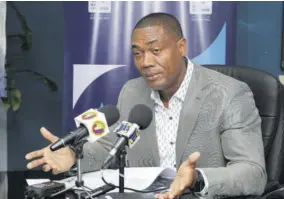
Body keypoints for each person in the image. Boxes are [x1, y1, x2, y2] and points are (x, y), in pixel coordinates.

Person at [25, 13, 267, 199]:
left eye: (156, 50)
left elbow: (253, 173)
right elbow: (110, 150)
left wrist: (198, 178)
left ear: (181, 47)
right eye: (138, 53)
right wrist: (75, 157)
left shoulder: (230, 94)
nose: (146, 62)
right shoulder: (132, 91)